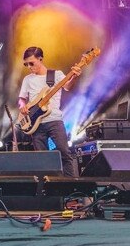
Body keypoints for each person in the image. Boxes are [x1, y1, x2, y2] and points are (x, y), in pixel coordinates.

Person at [17, 46, 81, 177]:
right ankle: (47, 189)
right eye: (26, 64)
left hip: (54, 120)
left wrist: (74, 77)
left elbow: (68, 87)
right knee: (43, 159)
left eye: (31, 63)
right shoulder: (27, 79)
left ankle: (71, 189)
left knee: (64, 152)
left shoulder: (56, 75)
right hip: (35, 123)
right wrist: (22, 106)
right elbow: (21, 99)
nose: (29, 66)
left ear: (40, 59)